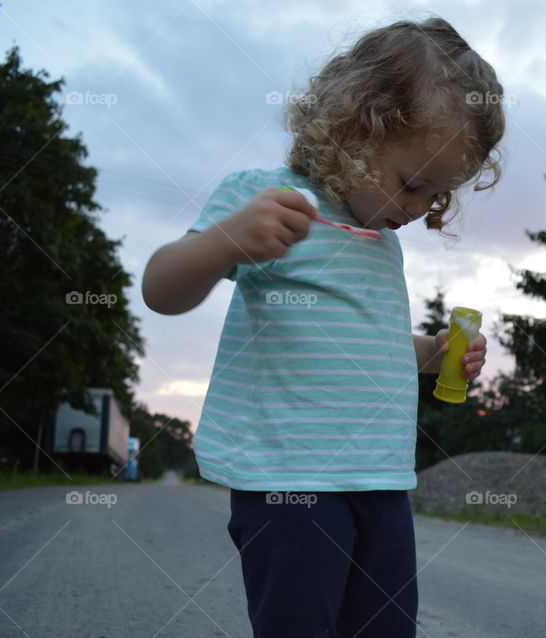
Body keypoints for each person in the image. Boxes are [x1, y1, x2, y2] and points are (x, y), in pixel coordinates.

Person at [142, 16, 505, 638]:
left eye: (438, 197)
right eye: (413, 185)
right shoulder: (266, 200)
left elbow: (373, 347)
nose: (420, 210)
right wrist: (224, 243)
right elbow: (160, 288)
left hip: (381, 483)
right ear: (352, 130)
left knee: (387, 628)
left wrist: (431, 353)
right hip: (290, 483)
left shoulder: (379, 240)